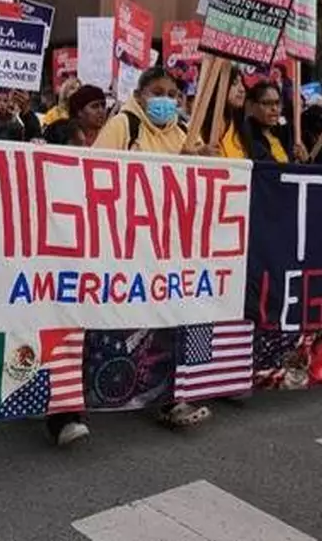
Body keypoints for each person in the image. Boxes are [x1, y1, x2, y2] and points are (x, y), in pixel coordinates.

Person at [91, 66, 214, 430]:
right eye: (157, 92)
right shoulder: (123, 126)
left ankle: (169, 396)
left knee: (169, 321)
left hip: (171, 244)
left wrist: (207, 162)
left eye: (173, 94)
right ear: (141, 94)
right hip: (126, 242)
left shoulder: (185, 134)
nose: (166, 100)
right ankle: (99, 389)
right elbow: (94, 172)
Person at [93, 67, 187, 153]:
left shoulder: (183, 132)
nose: (165, 100)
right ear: (138, 95)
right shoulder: (121, 125)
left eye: (171, 95)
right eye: (157, 93)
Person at [220, 81, 291, 162]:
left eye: (277, 103)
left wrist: (304, 160)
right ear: (250, 105)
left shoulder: (285, 134)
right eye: (267, 103)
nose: (274, 108)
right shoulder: (245, 136)